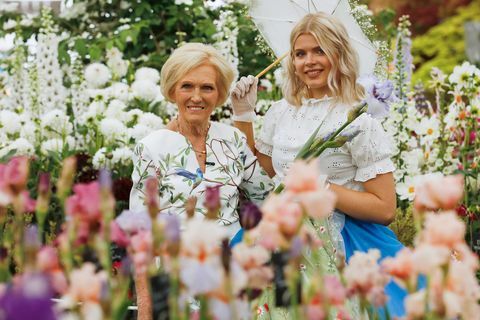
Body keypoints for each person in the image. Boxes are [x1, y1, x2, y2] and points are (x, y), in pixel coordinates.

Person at [231, 12, 407, 318]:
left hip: (342, 243)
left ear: (338, 54)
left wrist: (321, 188)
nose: (309, 61)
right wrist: (243, 116)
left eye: (320, 50)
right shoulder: (280, 112)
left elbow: (385, 209)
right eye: (300, 53)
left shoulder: (359, 119)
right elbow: (258, 180)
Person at [129, 42, 274, 319]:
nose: (196, 96)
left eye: (207, 87)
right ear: (173, 90)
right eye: (187, 86)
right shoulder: (151, 148)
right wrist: (145, 312)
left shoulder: (233, 141)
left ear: (219, 93)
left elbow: (266, 202)